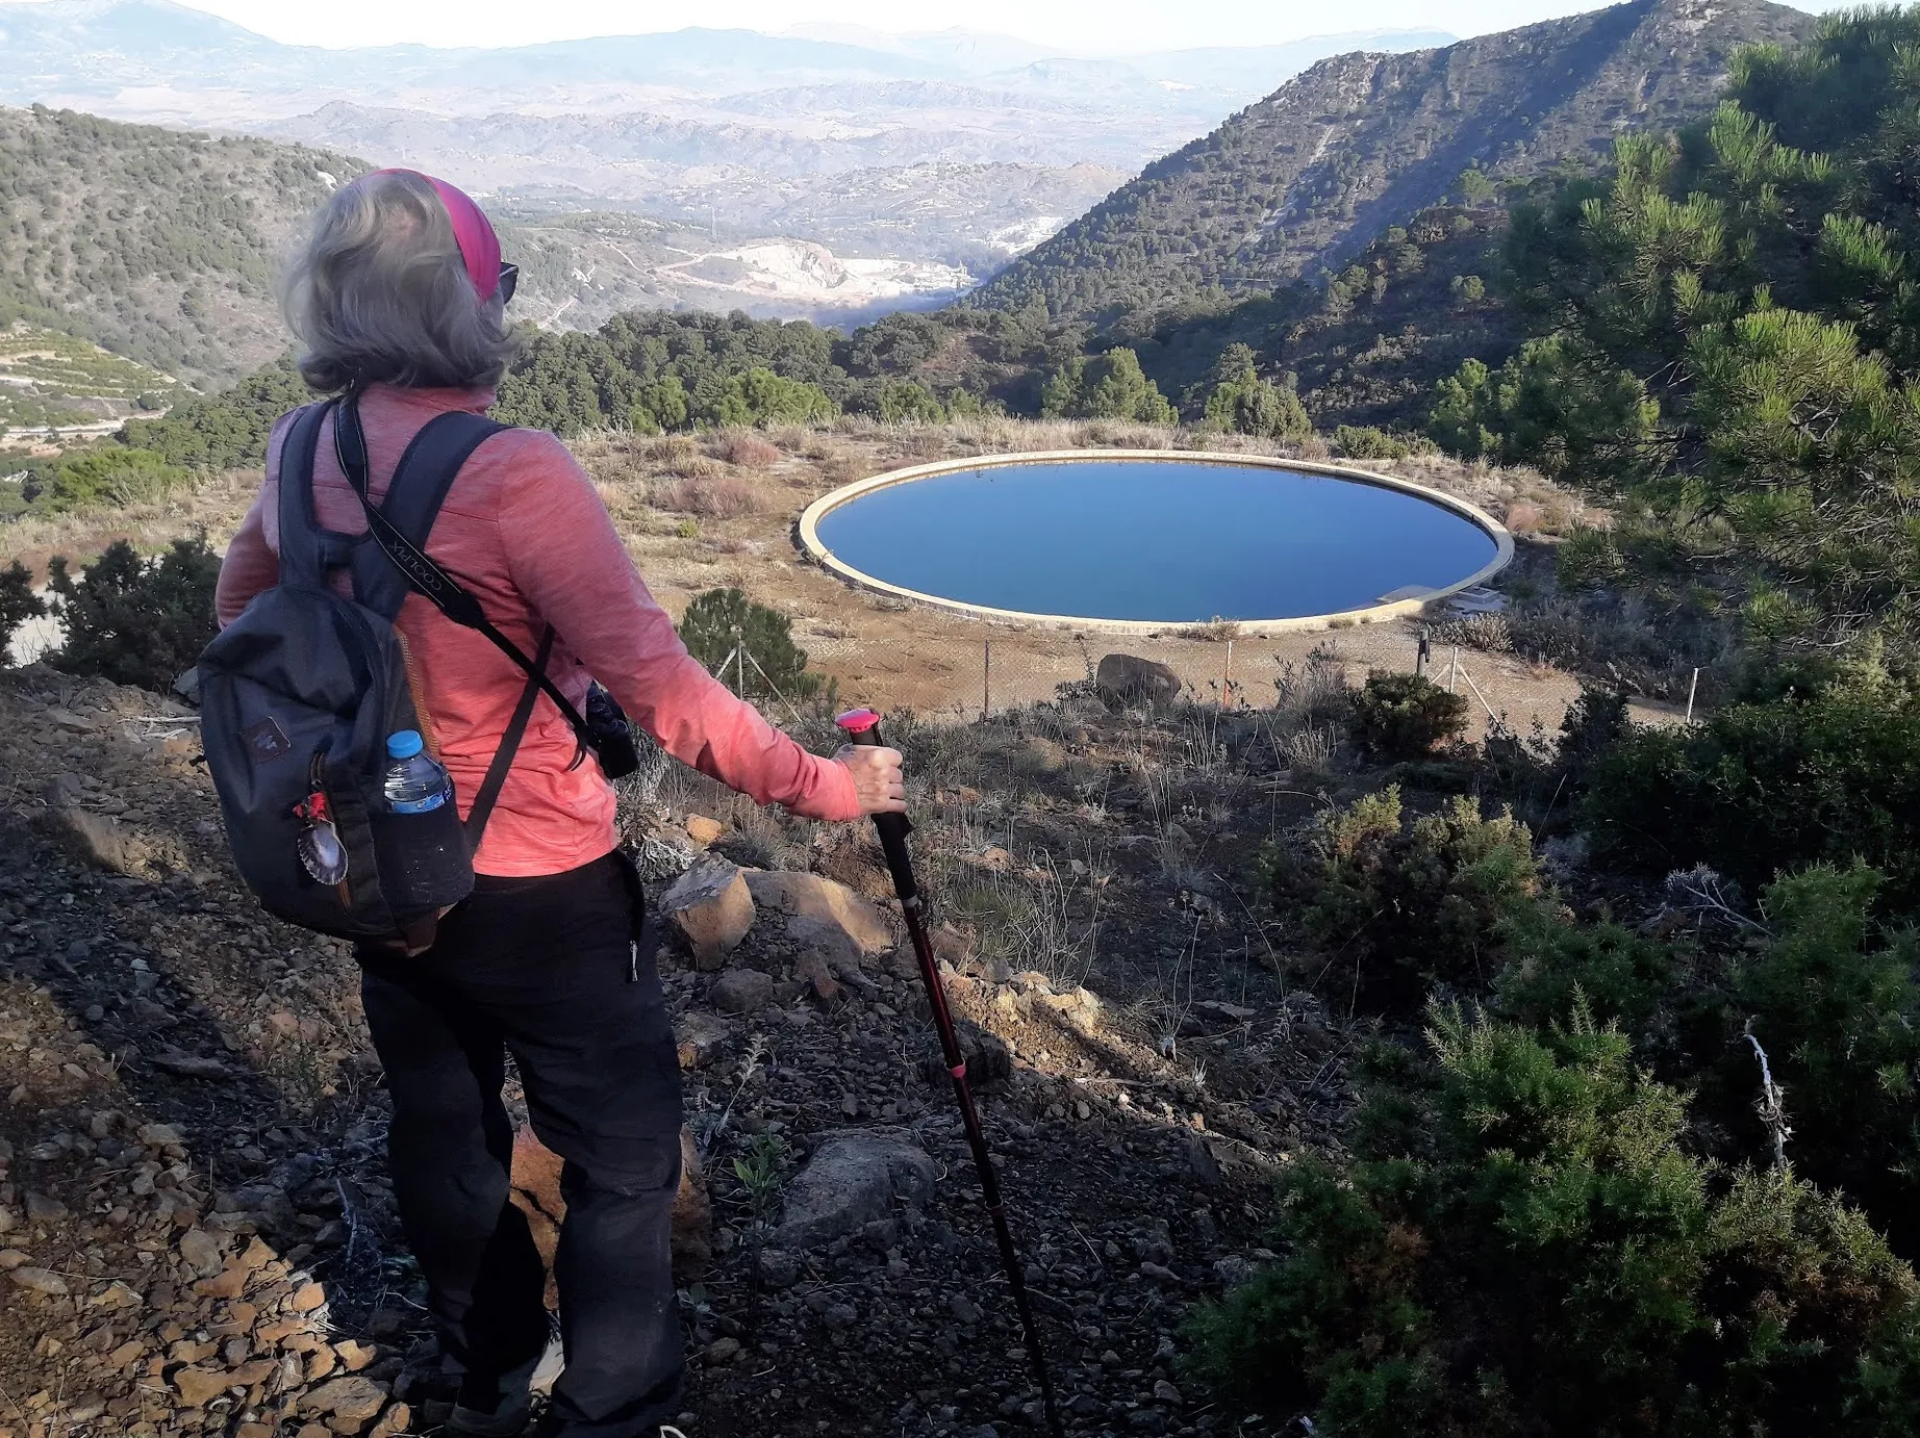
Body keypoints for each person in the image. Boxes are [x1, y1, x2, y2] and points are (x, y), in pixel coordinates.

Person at [214, 169, 906, 1438]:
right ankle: (612, 1407)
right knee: (626, 1160)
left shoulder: (300, 445)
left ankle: (484, 1383)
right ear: (466, 309)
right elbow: (667, 691)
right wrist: (826, 788)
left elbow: (242, 625)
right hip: (542, 892)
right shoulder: (515, 472)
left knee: (442, 1126)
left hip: (380, 874)